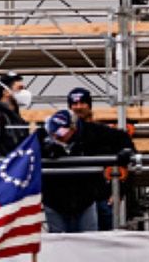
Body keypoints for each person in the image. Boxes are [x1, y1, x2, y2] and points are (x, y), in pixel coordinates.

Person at [66, 87, 136, 231]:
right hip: (72, 199)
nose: (78, 107)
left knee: (105, 242)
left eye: (82, 103)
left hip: (100, 196)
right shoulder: (62, 134)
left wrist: (120, 191)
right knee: (72, 243)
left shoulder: (102, 132)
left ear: (89, 105)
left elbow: (129, 155)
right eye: (74, 104)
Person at [41, 110, 99, 233]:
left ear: (73, 129)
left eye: (61, 133)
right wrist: (46, 150)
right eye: (54, 132)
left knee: (91, 242)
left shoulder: (90, 134)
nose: (56, 136)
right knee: (59, 244)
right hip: (55, 202)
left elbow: (117, 139)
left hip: (84, 200)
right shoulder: (40, 135)